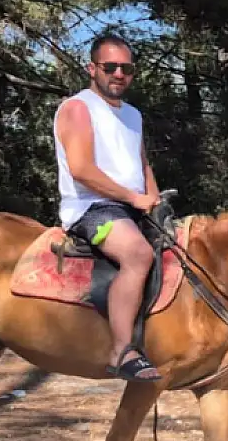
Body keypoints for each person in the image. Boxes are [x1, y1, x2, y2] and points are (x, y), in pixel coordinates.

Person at [53, 32, 163, 382]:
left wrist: (154, 201)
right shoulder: (78, 108)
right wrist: (133, 198)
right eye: (110, 66)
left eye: (126, 68)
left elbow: (142, 165)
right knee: (138, 255)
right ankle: (121, 350)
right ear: (92, 68)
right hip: (92, 208)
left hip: (132, 207)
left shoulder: (133, 115)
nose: (119, 74)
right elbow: (82, 169)